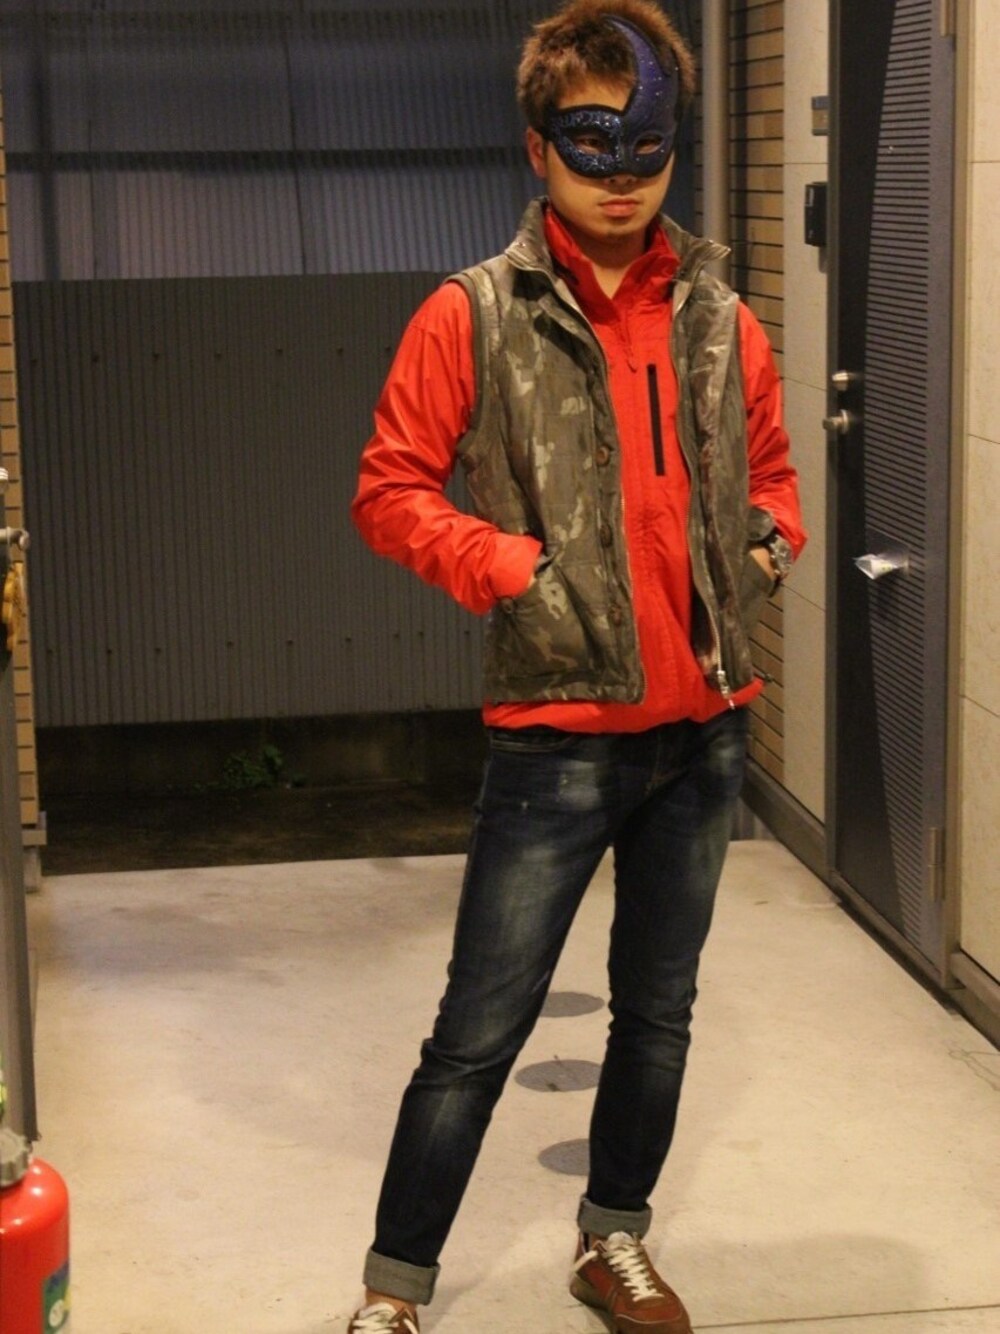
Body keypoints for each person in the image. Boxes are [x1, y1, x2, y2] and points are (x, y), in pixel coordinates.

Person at [349, 1, 805, 1329]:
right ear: (538, 145)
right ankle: (393, 1291)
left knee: (658, 1014)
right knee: (477, 1032)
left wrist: (761, 554)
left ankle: (614, 1240)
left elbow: (776, 480)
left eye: (645, 146)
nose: (620, 176)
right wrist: (513, 569)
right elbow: (389, 490)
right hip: (553, 737)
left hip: (705, 732)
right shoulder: (473, 315)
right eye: (589, 143)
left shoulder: (722, 317)